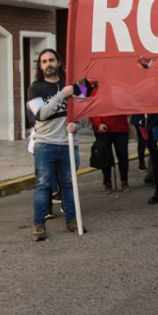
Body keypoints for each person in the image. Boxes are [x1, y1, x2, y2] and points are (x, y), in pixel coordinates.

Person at [27, 49, 81, 241]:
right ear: (40, 66)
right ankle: (39, 226)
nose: (48, 64)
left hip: (68, 144)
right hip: (45, 144)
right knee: (43, 185)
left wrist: (78, 124)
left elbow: (83, 111)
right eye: (44, 61)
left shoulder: (73, 86)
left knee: (69, 184)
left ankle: (73, 220)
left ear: (59, 62)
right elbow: (41, 114)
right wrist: (62, 95)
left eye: (51, 60)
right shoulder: (35, 88)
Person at [90, 113, 131, 194]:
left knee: (123, 155)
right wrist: (98, 123)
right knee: (105, 156)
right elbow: (93, 108)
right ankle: (107, 182)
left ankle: (124, 180)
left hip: (120, 127)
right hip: (103, 128)